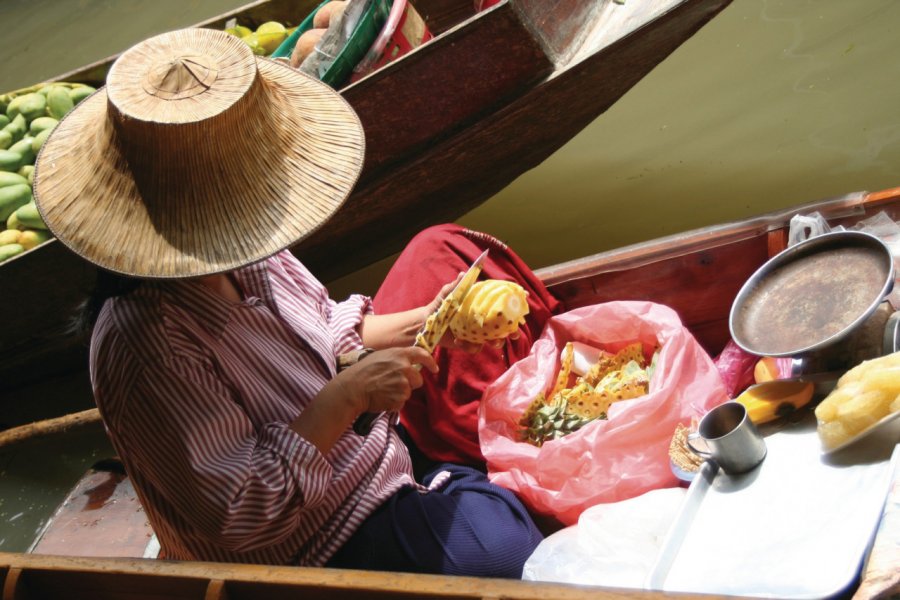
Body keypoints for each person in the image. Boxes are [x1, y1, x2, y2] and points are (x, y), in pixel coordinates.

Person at [34, 28, 557, 576]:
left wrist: (431, 320)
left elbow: (327, 327)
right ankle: (461, 483)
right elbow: (243, 511)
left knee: (441, 251)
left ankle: (456, 481)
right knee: (501, 551)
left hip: (370, 452)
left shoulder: (248, 252)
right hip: (310, 540)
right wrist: (345, 398)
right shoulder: (145, 342)